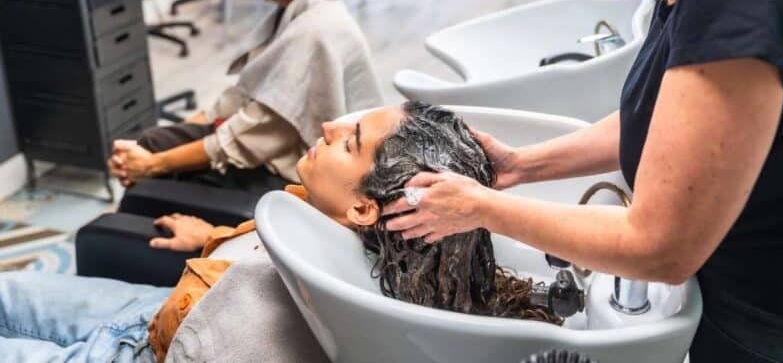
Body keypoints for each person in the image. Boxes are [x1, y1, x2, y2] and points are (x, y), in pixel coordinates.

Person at [382, 0, 783, 361]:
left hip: (777, 325)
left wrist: (481, 209)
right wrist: (520, 165)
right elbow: (669, 125)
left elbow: (661, 247)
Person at [0, 103, 558, 363]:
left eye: (349, 141)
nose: (330, 126)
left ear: (365, 208)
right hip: (158, 311)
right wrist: (215, 236)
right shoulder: (345, 232)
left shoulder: (285, 320)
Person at [108, 0, 383, 196]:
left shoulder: (316, 30)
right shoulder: (299, 12)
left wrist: (152, 165)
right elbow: (242, 97)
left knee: (151, 182)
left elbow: (248, 136)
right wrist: (161, 142)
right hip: (273, 155)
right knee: (153, 141)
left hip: (293, 182)